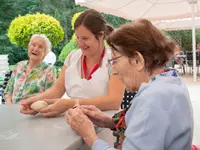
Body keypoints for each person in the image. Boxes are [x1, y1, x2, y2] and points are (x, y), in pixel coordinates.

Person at [66, 19, 193, 150]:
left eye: (114, 60)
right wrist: (109, 122)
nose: (114, 70)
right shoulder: (170, 81)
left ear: (137, 60)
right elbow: (152, 130)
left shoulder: (152, 98)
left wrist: (90, 136)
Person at [20, 9, 124, 116]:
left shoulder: (114, 59)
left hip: (106, 124)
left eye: (85, 38)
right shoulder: (72, 57)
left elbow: (114, 101)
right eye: (78, 38)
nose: (80, 44)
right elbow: (57, 90)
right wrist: (34, 100)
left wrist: (72, 104)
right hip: (74, 120)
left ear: (101, 35)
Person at [4, 34, 57, 104]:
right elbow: (8, 91)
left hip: (34, 112)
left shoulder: (49, 70)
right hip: (13, 110)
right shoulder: (19, 66)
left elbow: (50, 97)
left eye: (40, 47)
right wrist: (10, 105)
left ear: (45, 53)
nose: (35, 49)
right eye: (33, 45)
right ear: (29, 47)